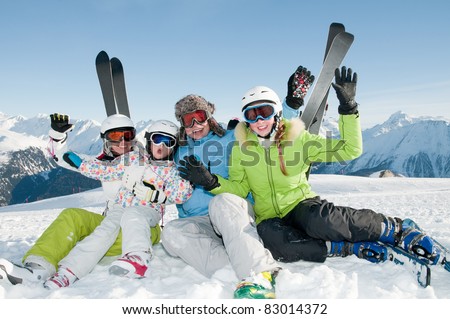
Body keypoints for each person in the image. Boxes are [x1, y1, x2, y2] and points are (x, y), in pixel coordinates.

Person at [177, 66, 446, 284]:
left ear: (277, 113)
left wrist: (348, 109)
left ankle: (395, 229)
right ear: (245, 119)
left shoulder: (298, 139)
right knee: (273, 242)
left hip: (299, 204)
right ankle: (344, 249)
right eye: (252, 114)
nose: (259, 120)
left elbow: (349, 149)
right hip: (268, 215)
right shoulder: (241, 149)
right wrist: (212, 183)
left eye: (265, 112)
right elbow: (238, 187)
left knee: (322, 221)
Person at [156, 68, 314, 299]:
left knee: (221, 202)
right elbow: (153, 159)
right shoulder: (179, 151)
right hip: (201, 223)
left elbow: (268, 129)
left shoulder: (231, 138)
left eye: (199, 117)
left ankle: (261, 273)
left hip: (234, 212)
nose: (194, 125)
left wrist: (291, 103)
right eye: (187, 121)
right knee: (171, 233)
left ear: (208, 116)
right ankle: (236, 272)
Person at [0, 114, 163, 286]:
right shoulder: (103, 163)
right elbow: (66, 159)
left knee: (105, 231)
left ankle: (69, 270)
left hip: (141, 228)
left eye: (128, 135)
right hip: (111, 221)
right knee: (72, 216)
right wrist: (58, 137)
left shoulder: (144, 160)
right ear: (106, 139)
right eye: (115, 137)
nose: (123, 142)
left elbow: (169, 170)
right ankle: (37, 269)